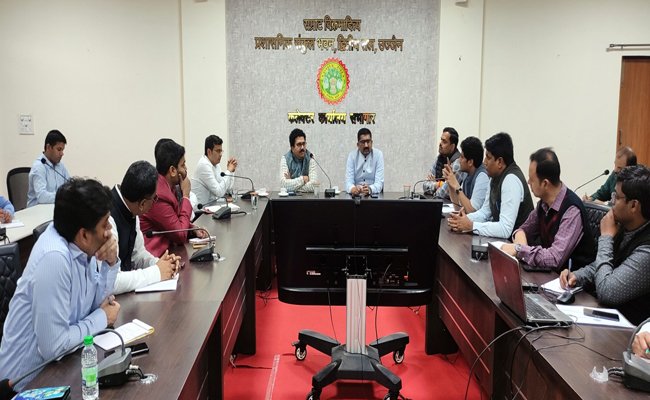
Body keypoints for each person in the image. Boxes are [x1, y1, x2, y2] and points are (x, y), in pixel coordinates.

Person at [0, 178, 121, 392]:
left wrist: (111, 263)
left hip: (63, 366)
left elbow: (97, 304)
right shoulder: (54, 257)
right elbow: (54, 347)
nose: (109, 231)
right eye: (105, 224)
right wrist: (102, 318)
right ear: (84, 234)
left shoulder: (82, 246)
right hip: (26, 387)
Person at [561, 165, 650, 325]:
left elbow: (607, 291)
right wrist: (578, 276)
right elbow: (605, 265)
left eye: (616, 197)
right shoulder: (625, 226)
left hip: (629, 331)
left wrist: (606, 237)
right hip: (608, 318)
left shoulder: (647, 249)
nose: (611, 202)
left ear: (634, 205)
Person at [501, 148, 596, 271]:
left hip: (571, 278)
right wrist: (520, 239)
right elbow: (523, 229)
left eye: (532, 179)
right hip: (549, 275)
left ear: (545, 183)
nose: (528, 182)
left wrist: (519, 249)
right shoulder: (544, 204)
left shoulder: (572, 210)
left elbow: (555, 258)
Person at [110, 161, 181, 294]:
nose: (154, 202)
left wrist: (161, 264)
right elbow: (113, 282)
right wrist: (157, 272)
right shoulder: (108, 219)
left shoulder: (132, 209)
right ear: (142, 204)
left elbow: (137, 256)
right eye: (154, 199)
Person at [447, 132, 533, 239]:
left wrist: (471, 226)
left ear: (500, 162)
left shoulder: (511, 180)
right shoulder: (494, 176)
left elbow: (505, 229)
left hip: (519, 245)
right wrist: (462, 219)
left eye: (488, 157)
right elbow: (485, 212)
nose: (484, 162)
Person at [140, 140, 207, 257]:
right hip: (154, 258)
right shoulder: (159, 194)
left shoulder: (169, 186)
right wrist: (186, 196)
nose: (186, 169)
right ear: (172, 170)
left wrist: (192, 229)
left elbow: (173, 221)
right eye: (183, 165)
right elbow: (179, 235)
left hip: (170, 251)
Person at [26, 129, 71, 207]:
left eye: (62, 150)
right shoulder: (39, 167)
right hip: (37, 211)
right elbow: (42, 197)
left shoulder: (60, 166)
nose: (62, 153)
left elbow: (70, 185)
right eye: (59, 149)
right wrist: (63, 197)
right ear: (49, 147)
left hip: (54, 208)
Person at [444, 136, 488, 213]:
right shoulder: (467, 174)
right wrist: (450, 183)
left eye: (462, 157)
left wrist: (456, 185)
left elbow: (471, 210)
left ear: (470, 162)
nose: (459, 160)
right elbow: (458, 207)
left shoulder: (482, 176)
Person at [192, 135, 238, 206]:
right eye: (218, 151)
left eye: (221, 151)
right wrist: (228, 171)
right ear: (209, 152)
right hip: (200, 210)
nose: (220, 154)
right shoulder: (203, 165)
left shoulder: (216, 164)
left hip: (211, 207)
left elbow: (227, 188)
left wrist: (231, 172)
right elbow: (219, 192)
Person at [424, 127, 466, 199]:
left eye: (444, 142)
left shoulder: (457, 163)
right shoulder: (439, 158)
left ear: (452, 146)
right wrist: (439, 184)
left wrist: (433, 184)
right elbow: (425, 185)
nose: (440, 143)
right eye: (441, 140)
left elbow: (443, 194)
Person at [345, 128, 384, 196]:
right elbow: (348, 182)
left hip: (373, 195)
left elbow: (379, 183)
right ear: (358, 144)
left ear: (372, 142)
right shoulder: (352, 156)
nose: (366, 145)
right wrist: (353, 189)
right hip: (356, 196)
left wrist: (370, 189)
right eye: (363, 142)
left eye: (368, 141)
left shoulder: (378, 155)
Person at [280, 128, 318, 192]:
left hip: (307, 198)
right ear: (292, 147)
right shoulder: (285, 159)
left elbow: (313, 185)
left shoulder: (311, 157)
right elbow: (284, 185)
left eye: (304, 143)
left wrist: (291, 185)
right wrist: (303, 179)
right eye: (299, 144)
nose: (302, 147)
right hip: (290, 198)